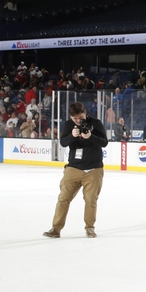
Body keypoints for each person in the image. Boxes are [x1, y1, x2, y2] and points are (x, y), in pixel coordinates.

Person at [42, 102, 107, 239]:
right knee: (63, 198)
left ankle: (90, 228)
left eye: (80, 117)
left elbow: (104, 142)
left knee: (91, 201)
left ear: (85, 113)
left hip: (93, 168)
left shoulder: (96, 123)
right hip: (73, 167)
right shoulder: (68, 125)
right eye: (75, 119)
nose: (78, 120)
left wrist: (91, 136)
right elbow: (63, 143)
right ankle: (56, 228)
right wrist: (72, 135)